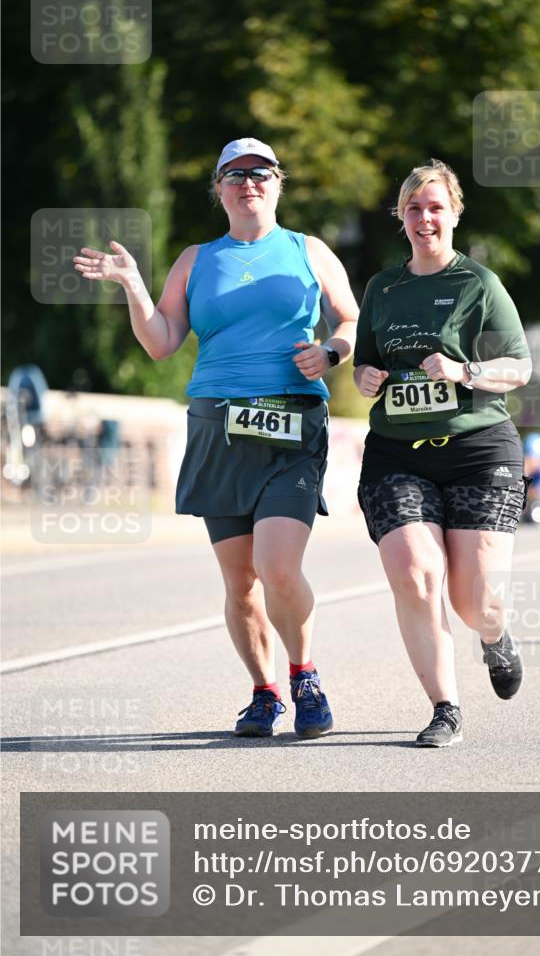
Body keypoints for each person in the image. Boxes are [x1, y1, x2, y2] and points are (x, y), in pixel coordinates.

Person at [74, 136, 359, 739]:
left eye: (261, 173)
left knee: (278, 566)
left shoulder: (309, 250)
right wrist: (132, 284)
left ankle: (305, 674)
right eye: (235, 174)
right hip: (217, 425)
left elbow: (351, 319)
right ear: (219, 188)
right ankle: (264, 692)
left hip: (292, 422)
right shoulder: (195, 260)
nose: (249, 182)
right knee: (240, 581)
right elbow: (161, 342)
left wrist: (330, 350)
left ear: (279, 183)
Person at [353, 159, 532, 748]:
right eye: (413, 208)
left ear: (454, 213)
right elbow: (362, 366)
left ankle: (494, 635)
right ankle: (444, 708)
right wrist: (367, 378)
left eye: (435, 207)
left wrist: (466, 370)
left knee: (474, 597)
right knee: (415, 573)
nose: (424, 218)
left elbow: (520, 367)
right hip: (397, 453)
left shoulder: (477, 283)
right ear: (401, 217)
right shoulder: (382, 287)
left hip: (479, 450)